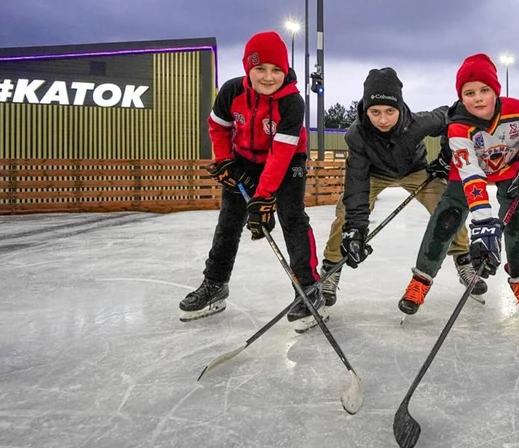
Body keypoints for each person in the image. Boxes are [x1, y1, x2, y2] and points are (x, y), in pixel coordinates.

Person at [179, 31, 323, 332]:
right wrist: (225, 160)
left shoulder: (292, 103)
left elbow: (281, 153)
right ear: (248, 69)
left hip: (287, 160)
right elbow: (217, 128)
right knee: (229, 221)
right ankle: (215, 284)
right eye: (260, 69)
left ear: (285, 71)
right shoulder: (232, 91)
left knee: (292, 218)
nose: (269, 77)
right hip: (243, 158)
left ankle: (309, 289)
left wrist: (264, 197)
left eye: (276, 70)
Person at [396, 53, 519, 316]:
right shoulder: (458, 127)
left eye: (484, 90)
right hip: (467, 171)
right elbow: (472, 175)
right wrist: (483, 225)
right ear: (461, 97)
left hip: (508, 167)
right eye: (469, 93)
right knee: (447, 217)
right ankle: (420, 280)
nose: (477, 98)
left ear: (496, 91)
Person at [320, 67, 485, 306]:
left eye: (390, 111)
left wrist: (445, 155)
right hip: (374, 174)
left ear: (400, 107)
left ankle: (463, 259)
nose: (383, 119)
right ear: (366, 109)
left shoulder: (416, 123)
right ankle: (331, 267)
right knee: (346, 212)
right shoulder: (357, 135)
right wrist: (355, 229)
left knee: (447, 204)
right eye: (375, 112)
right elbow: (356, 184)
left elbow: (451, 116)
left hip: (414, 170)